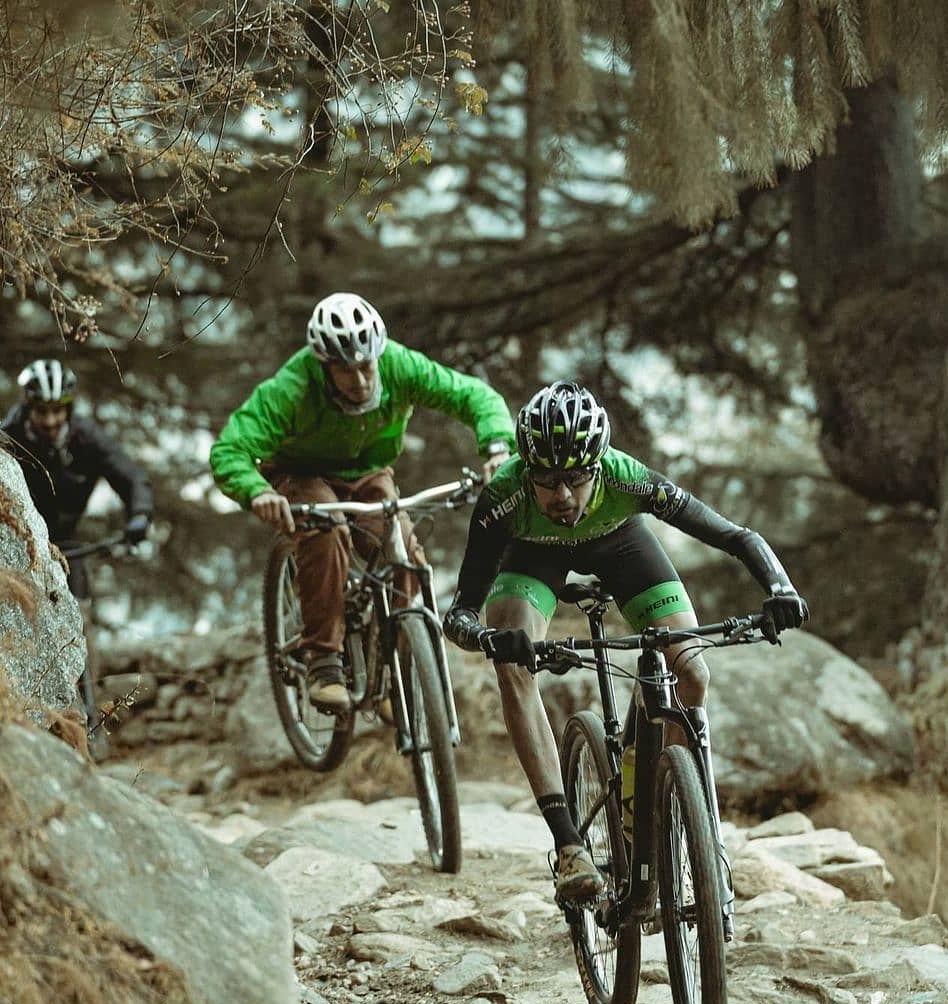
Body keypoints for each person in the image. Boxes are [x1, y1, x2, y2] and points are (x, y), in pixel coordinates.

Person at [443, 380, 809, 903]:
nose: (562, 495)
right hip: (533, 557)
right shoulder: (504, 496)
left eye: (574, 478)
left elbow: (736, 536)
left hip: (619, 544)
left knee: (690, 672)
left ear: (597, 466)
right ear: (527, 469)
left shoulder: (628, 479)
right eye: (546, 479)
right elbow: (459, 612)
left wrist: (780, 588)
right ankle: (569, 845)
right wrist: (488, 638)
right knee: (515, 665)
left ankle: (663, 803)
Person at [209, 292, 515, 711]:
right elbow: (230, 449)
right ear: (323, 365)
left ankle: (391, 671)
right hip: (301, 472)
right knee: (326, 528)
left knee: (405, 552)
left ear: (378, 354)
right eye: (344, 370)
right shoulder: (292, 387)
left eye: (366, 366)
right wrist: (256, 490)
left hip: (369, 472)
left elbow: (473, 396)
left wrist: (497, 446)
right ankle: (324, 660)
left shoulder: (399, 365)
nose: (360, 381)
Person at [2, 358, 154, 759]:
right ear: (29, 408)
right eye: (42, 411)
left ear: (69, 408)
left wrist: (138, 516)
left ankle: (88, 722)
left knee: (80, 624)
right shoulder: (8, 438)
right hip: (19, 547)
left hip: (68, 547)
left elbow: (131, 475)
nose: (50, 420)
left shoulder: (86, 438)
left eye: (58, 410)